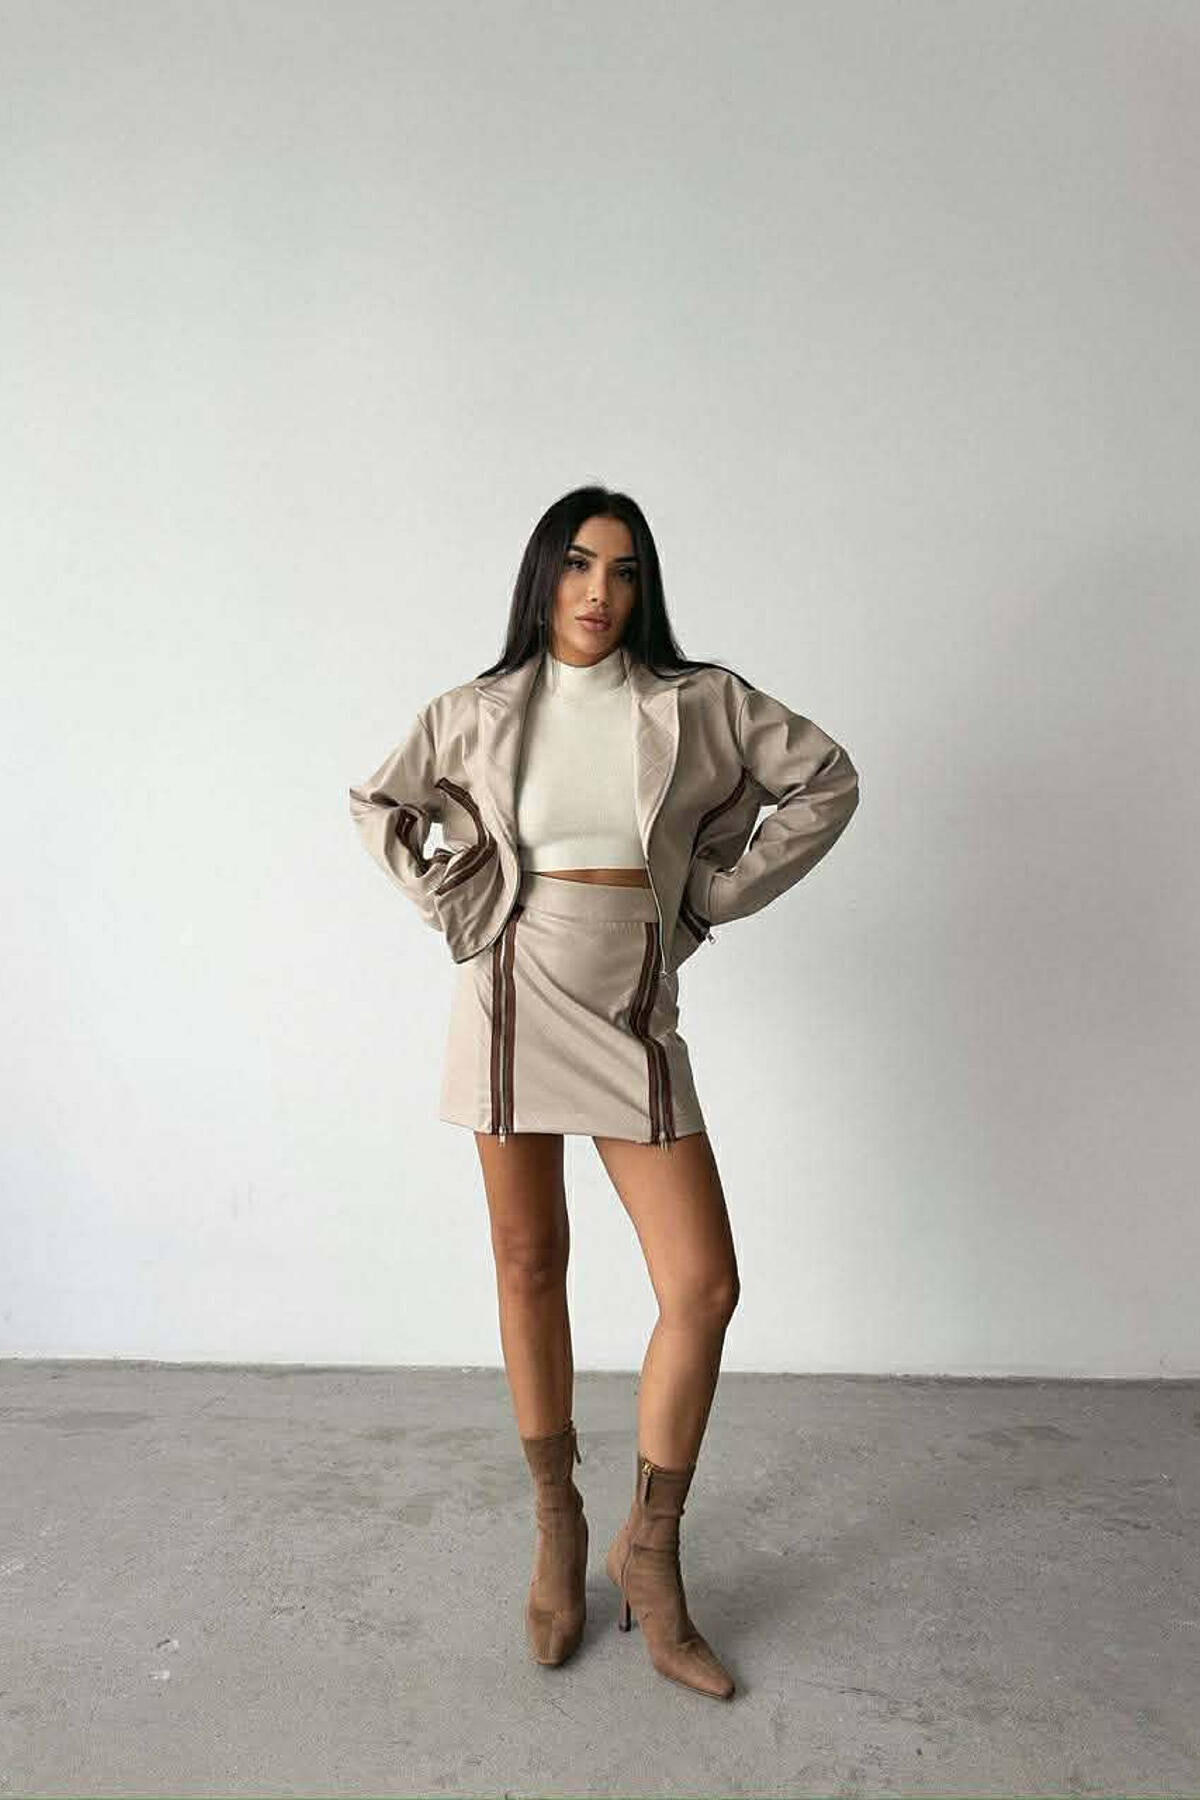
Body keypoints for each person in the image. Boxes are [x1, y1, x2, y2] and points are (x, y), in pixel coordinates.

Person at [348, 485, 860, 1700]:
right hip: (510, 996)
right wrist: (458, 902)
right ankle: (558, 1529)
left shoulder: (698, 701)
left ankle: (652, 1554)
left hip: (630, 1004)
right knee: (530, 1262)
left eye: (623, 572)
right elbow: (379, 807)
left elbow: (826, 782)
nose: (599, 592)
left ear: (644, 589)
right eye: (579, 566)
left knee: (703, 1284)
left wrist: (710, 896)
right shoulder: (473, 711)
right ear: (544, 578)